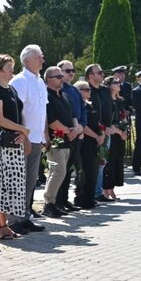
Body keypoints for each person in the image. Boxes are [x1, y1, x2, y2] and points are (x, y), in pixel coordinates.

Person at [0, 54, 28, 239]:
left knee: (10, 182)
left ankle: (5, 224)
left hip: (13, 140)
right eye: (9, 67)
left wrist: (22, 133)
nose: (12, 70)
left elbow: (18, 113)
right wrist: (22, 129)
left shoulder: (11, 89)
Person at [8, 44, 47, 234]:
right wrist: (23, 136)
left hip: (37, 138)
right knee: (18, 180)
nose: (42, 60)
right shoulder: (20, 81)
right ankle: (13, 219)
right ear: (27, 61)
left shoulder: (40, 81)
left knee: (30, 180)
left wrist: (45, 135)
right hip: (23, 139)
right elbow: (16, 112)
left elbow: (43, 111)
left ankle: (25, 217)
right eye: (39, 57)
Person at [42, 66, 77, 217]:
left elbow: (72, 115)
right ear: (48, 80)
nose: (62, 79)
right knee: (58, 171)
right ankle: (48, 204)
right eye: (58, 77)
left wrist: (74, 129)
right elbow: (51, 121)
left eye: (62, 76)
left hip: (67, 140)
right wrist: (68, 131)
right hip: (55, 140)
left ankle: (54, 203)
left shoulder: (64, 95)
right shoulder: (46, 96)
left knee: (60, 172)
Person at [56, 60, 85, 213]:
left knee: (68, 170)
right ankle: (57, 201)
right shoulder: (58, 90)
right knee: (60, 169)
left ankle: (64, 200)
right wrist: (71, 130)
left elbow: (82, 109)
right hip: (64, 133)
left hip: (76, 133)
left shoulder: (74, 90)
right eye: (67, 71)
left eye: (72, 70)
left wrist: (81, 127)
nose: (71, 73)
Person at [73, 72, 104, 210]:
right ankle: (83, 199)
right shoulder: (80, 106)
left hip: (94, 142)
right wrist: (96, 136)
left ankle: (91, 198)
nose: (89, 91)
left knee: (93, 171)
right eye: (86, 89)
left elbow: (97, 122)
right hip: (85, 142)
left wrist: (101, 134)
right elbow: (83, 126)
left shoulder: (89, 105)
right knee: (85, 171)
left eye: (89, 89)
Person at [90, 65, 115, 203]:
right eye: (99, 72)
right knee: (92, 164)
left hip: (106, 133)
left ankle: (97, 192)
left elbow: (111, 109)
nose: (102, 74)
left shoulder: (105, 90)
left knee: (102, 163)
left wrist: (110, 126)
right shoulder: (87, 90)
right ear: (90, 76)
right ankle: (92, 193)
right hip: (93, 133)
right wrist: (102, 128)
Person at [101, 76, 128, 200]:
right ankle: (106, 189)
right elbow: (107, 120)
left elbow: (123, 117)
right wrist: (118, 131)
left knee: (118, 161)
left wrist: (124, 131)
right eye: (115, 82)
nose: (118, 84)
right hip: (111, 134)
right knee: (109, 162)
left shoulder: (120, 101)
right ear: (109, 85)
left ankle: (112, 188)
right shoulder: (106, 101)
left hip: (119, 135)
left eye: (119, 82)